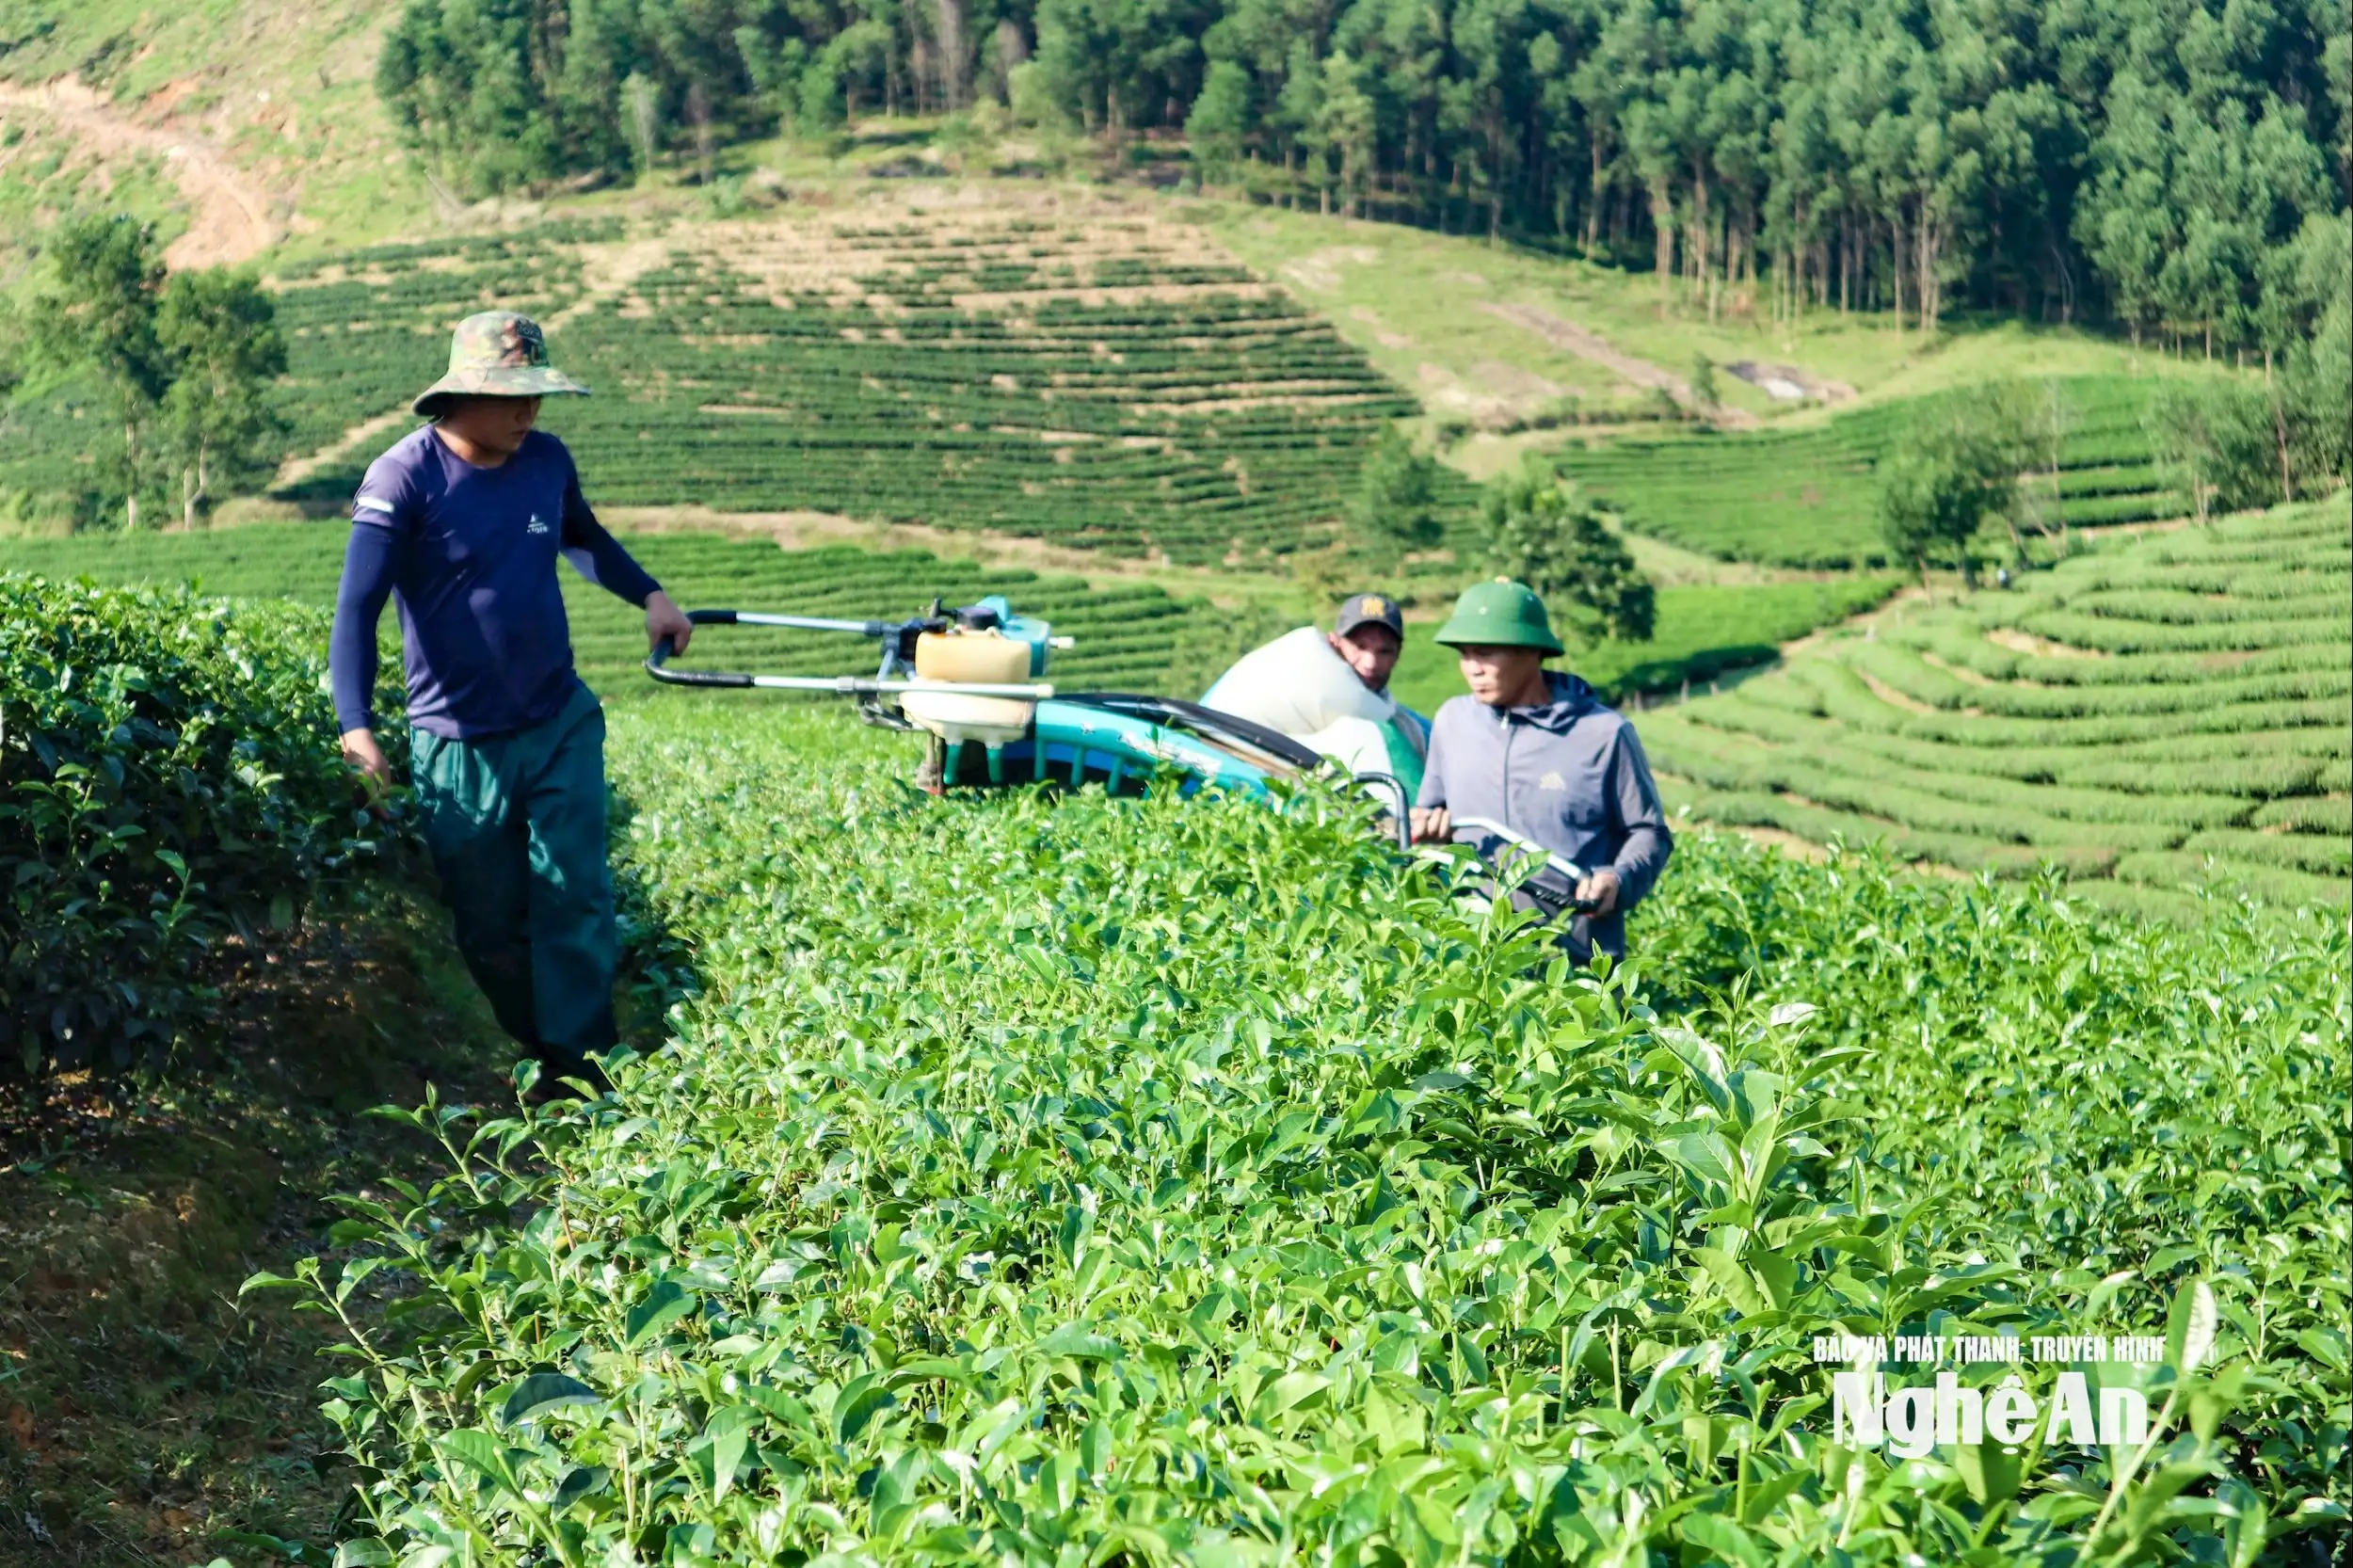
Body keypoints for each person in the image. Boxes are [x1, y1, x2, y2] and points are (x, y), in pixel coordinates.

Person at [328, 311, 695, 1099]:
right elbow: (357, 609)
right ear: (461, 395)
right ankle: (542, 1046)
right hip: (458, 741)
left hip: (558, 717)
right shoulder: (403, 478)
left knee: (575, 893)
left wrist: (652, 595)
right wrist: (357, 727)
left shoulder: (547, 460)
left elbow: (583, 536)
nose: (530, 411)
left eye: (538, 395)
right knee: (489, 923)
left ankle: (588, 1067)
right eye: (512, 396)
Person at [1409, 578, 1672, 964]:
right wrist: (1428, 827)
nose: (1472, 669)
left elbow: (1649, 832)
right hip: (1476, 955)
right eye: (1465, 655)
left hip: (1576, 956)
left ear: (1532, 651)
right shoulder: (1453, 722)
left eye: (1485, 654)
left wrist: (1618, 879)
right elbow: (1431, 810)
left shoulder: (1602, 734)